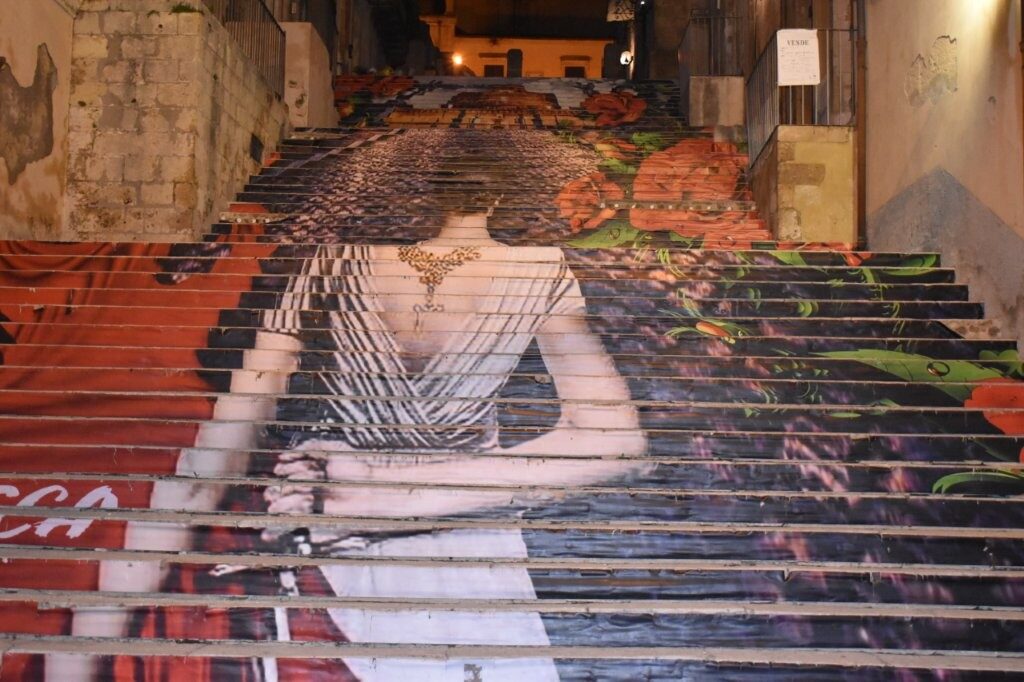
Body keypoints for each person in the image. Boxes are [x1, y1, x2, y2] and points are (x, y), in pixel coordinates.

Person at [51, 202, 648, 681]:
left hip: (364, 531)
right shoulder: (529, 266)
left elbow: (615, 444)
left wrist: (372, 493)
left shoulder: (340, 258)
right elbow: (612, 443)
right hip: (431, 542)